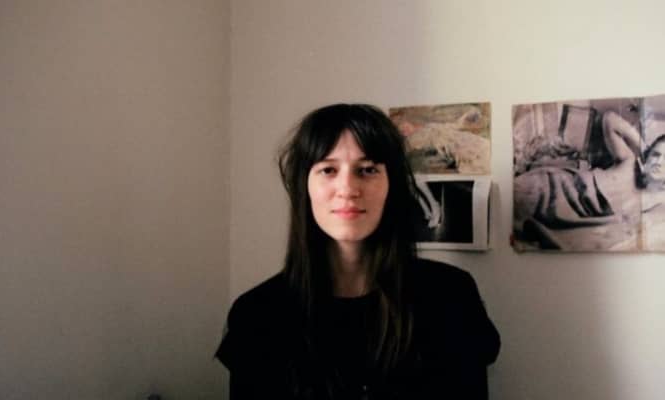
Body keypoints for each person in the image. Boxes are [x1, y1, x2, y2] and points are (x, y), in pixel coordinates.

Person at [216, 104, 500, 399]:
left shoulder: (451, 298)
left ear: (391, 185)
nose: (348, 188)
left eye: (367, 170)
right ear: (305, 186)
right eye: (328, 170)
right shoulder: (257, 315)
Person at [513, 109, 665, 247]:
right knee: (515, 197)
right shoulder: (629, 162)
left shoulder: (654, 207)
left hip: (566, 219)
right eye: (656, 155)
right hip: (556, 188)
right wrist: (644, 149)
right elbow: (609, 119)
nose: (658, 161)